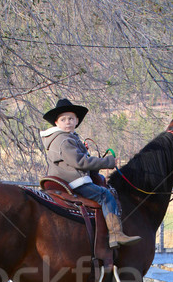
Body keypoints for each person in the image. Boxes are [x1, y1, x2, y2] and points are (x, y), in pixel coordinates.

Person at [40, 98, 140, 248]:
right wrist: (108, 162)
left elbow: (80, 162)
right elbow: (79, 162)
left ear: (76, 121)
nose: (67, 122)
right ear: (56, 123)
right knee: (105, 195)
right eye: (63, 119)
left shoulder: (67, 138)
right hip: (73, 181)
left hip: (68, 178)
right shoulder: (63, 140)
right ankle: (115, 234)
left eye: (71, 119)